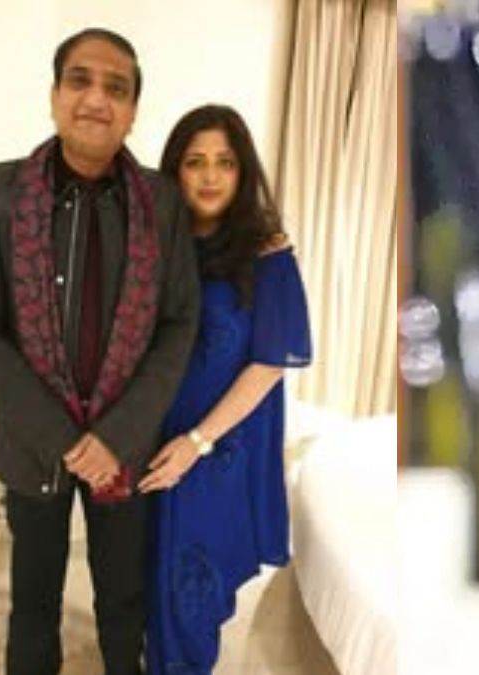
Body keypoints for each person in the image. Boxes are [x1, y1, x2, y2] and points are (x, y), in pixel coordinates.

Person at [0, 28, 200, 675]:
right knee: (33, 601)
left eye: (116, 88)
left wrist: (114, 437)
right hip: (35, 444)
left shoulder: (162, 204)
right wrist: (63, 437)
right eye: (80, 80)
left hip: (126, 447)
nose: (96, 99)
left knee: (123, 596)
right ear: (54, 95)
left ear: (133, 110)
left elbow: (179, 323)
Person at [142, 104, 312, 674]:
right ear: (175, 171)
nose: (210, 176)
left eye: (225, 162)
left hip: (218, 446)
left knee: (193, 585)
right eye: (195, 162)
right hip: (152, 435)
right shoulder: (155, 246)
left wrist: (196, 442)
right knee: (149, 578)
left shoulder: (268, 254)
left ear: (243, 172)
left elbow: (269, 364)